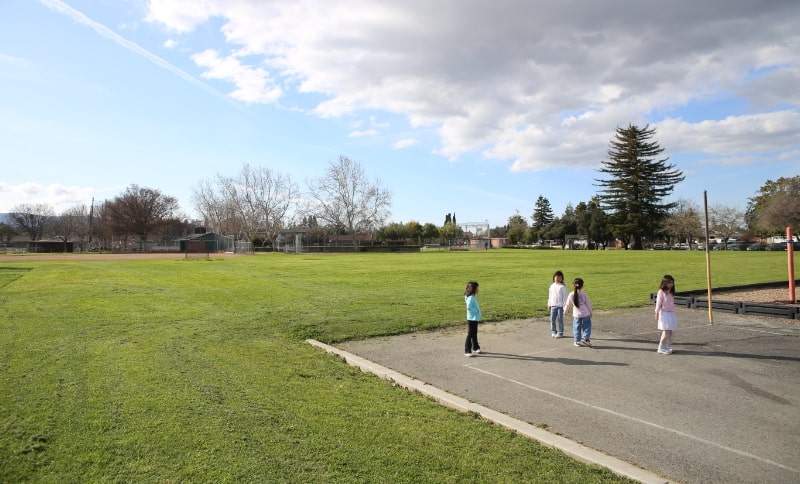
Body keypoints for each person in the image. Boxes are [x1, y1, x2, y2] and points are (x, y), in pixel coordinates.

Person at [563, 277, 593, 347]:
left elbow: (567, 304)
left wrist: (565, 312)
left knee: (576, 327)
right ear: (582, 286)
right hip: (585, 313)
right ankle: (585, 338)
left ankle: (577, 341)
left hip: (576, 314)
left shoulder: (571, 294)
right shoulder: (584, 294)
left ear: (574, 285)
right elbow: (588, 304)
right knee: (587, 327)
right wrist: (590, 312)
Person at [654, 274, 677, 354]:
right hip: (664, 313)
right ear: (665, 283)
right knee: (666, 331)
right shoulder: (661, 292)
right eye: (669, 283)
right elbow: (658, 303)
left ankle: (667, 346)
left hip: (670, 313)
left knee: (669, 331)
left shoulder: (670, 292)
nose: (671, 284)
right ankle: (661, 347)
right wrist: (656, 312)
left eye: (672, 283)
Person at [547, 270, 568, 338]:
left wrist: (565, 307)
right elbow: (550, 296)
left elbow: (565, 298)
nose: (558, 279)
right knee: (552, 319)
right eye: (557, 277)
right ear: (554, 278)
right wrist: (549, 304)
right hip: (553, 305)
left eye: (560, 277)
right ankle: (553, 331)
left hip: (560, 306)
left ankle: (560, 332)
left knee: (560, 319)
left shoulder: (562, 287)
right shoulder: (552, 286)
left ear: (562, 279)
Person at [464, 280, 482, 357]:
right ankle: (467, 350)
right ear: (473, 289)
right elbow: (469, 307)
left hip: (474, 318)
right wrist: (477, 311)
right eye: (477, 288)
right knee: (470, 334)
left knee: (474, 333)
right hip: (472, 318)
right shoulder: (471, 297)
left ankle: (475, 347)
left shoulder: (472, 296)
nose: (478, 290)